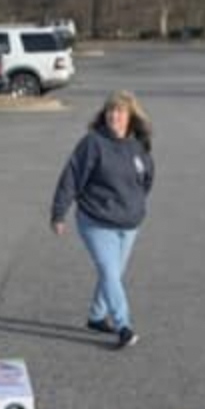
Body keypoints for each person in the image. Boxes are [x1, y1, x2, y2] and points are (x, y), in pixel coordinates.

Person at [51, 90, 154, 349]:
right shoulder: (93, 143)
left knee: (113, 274)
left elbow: (147, 179)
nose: (113, 116)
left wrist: (136, 205)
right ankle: (123, 326)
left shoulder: (138, 146)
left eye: (120, 111)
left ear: (130, 117)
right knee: (109, 272)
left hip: (128, 223)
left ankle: (96, 316)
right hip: (95, 221)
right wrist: (59, 212)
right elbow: (71, 176)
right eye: (110, 110)